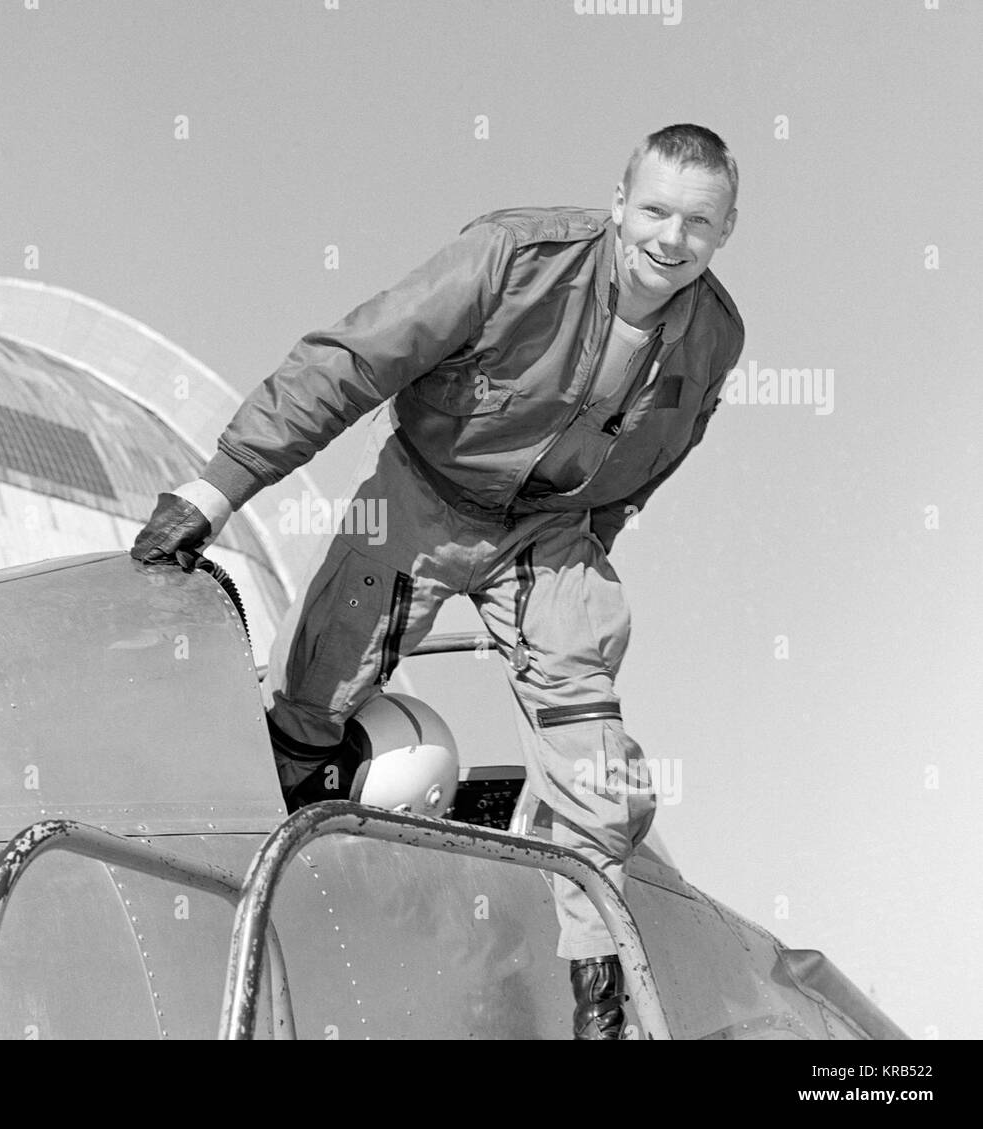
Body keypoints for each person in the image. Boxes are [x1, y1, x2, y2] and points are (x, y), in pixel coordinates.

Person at [133, 123, 743, 1039]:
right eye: (654, 210)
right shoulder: (511, 259)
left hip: (548, 532)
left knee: (596, 762)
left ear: (724, 231)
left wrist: (581, 562)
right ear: (618, 203)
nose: (671, 239)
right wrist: (219, 488)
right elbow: (353, 360)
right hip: (426, 490)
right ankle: (262, 891)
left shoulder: (713, 337)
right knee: (312, 695)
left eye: (698, 222)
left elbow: (655, 459)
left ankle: (594, 990)